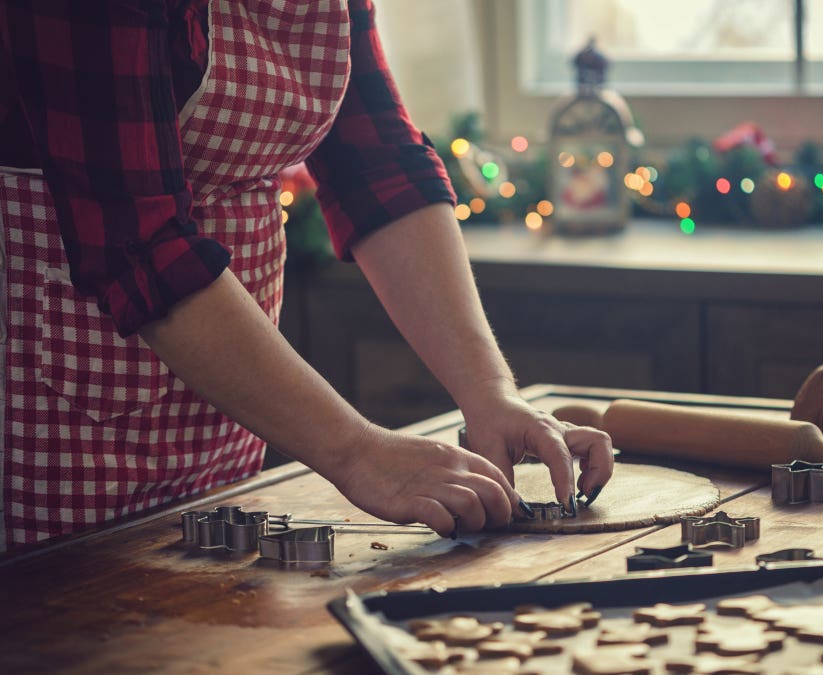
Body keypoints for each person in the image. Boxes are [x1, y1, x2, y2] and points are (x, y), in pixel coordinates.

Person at [0, 0, 614, 552]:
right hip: (46, 412)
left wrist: (489, 392)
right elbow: (139, 240)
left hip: (234, 401)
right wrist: (357, 451)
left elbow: (380, 170)